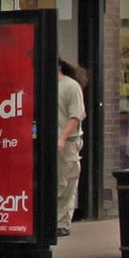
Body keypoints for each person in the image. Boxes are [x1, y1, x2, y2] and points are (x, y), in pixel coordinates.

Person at [56, 57, 87, 238]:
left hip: (68, 142)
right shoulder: (47, 86)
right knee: (57, 182)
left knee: (66, 182)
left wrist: (63, 137)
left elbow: (76, 116)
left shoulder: (71, 86)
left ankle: (62, 222)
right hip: (53, 141)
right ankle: (56, 220)